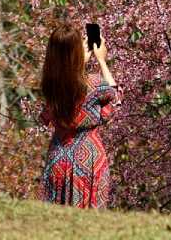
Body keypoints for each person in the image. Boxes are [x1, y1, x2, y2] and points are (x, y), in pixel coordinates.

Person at [38, 22, 120, 207]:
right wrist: (102, 61)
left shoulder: (50, 85)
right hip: (88, 157)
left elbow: (48, 113)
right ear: (76, 53)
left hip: (58, 157)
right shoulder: (94, 84)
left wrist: (76, 62)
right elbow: (116, 99)